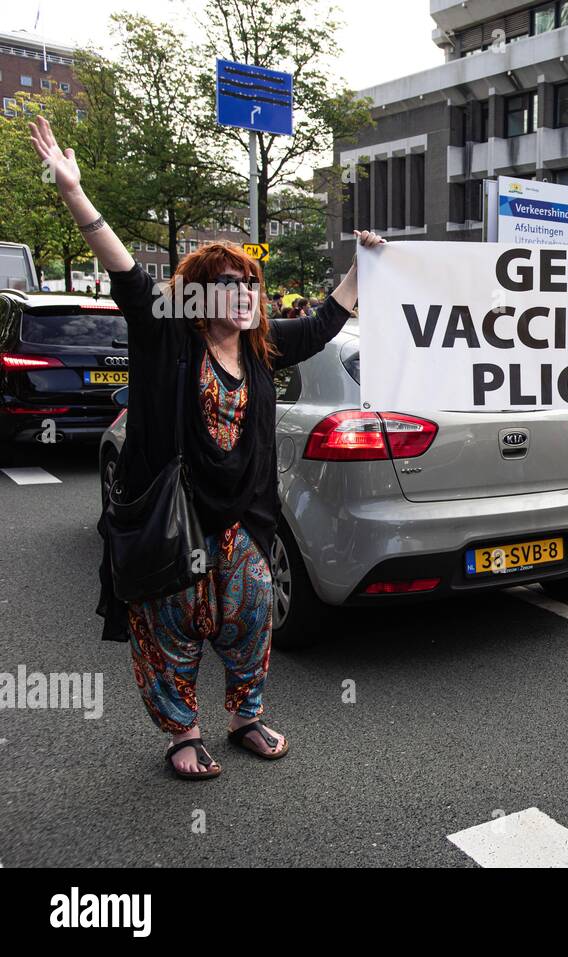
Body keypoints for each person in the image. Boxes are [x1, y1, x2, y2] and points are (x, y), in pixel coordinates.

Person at [28, 113, 386, 780]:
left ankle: (246, 715)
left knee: (251, 618)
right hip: (173, 514)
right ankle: (183, 733)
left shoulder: (261, 346)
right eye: (232, 283)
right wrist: (76, 194)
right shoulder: (169, 336)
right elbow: (130, 277)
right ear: (196, 293)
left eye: (250, 282)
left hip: (243, 519)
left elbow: (323, 322)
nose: (246, 293)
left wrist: (363, 265)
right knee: (170, 629)